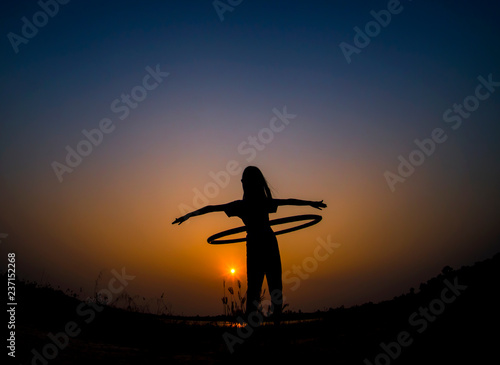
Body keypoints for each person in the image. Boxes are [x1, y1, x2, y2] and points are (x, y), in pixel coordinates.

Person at [172, 166, 326, 325]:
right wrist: (187, 215)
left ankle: (264, 327)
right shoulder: (253, 204)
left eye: (244, 180)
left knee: (263, 288)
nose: (242, 183)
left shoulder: (244, 205)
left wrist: (188, 215)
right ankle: (268, 327)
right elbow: (211, 208)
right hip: (264, 242)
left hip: (259, 243)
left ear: (246, 183)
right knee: (264, 288)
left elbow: (211, 208)